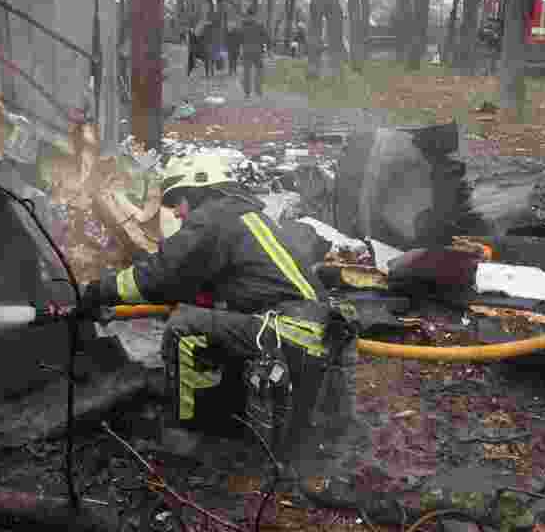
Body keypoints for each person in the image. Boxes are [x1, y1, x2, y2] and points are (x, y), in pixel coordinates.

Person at [80, 153, 358, 461]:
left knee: (183, 328)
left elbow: (163, 273)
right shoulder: (244, 216)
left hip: (290, 331)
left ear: (200, 190)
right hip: (308, 332)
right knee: (203, 320)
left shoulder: (213, 215)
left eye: (178, 202)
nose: (178, 213)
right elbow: (187, 285)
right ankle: (231, 416)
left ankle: (190, 435)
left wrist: (99, 291)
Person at [238, 10, 270, 99]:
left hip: (248, 51)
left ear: (247, 16)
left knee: (248, 72)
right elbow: (266, 37)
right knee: (257, 72)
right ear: (254, 16)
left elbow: (240, 39)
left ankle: (248, 92)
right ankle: (257, 91)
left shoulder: (243, 26)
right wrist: (267, 48)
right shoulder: (259, 25)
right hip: (256, 51)